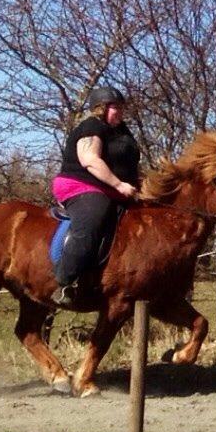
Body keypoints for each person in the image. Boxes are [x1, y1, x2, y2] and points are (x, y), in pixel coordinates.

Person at [50, 86, 141, 308]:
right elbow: (90, 160)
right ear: (100, 108)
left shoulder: (123, 133)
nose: (120, 112)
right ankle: (64, 283)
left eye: (121, 108)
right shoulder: (92, 127)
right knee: (94, 215)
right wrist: (119, 184)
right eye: (114, 107)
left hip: (113, 189)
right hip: (79, 185)